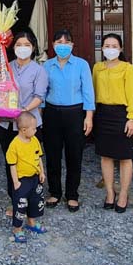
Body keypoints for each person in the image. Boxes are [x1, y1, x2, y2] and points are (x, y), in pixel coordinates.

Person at [42, 29, 95, 212]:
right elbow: (42, 92)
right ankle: (55, 192)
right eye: (59, 42)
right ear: (53, 45)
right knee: (52, 155)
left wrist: (89, 117)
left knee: (74, 155)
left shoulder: (81, 64)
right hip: (51, 113)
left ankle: (72, 194)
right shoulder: (47, 65)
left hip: (75, 113)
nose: (62, 45)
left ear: (72, 45)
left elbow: (88, 91)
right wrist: (39, 116)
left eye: (66, 42)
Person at [0, 30, 48, 215]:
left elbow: (39, 97)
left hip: (29, 127)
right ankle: (15, 201)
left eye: (27, 45)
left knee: (30, 164)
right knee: (11, 164)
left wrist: (22, 111)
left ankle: (32, 202)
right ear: (13, 47)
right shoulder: (6, 67)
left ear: (33, 48)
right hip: (6, 125)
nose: (22, 48)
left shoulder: (39, 70)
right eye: (19, 44)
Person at [92, 33, 133, 213]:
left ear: (120, 49)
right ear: (102, 48)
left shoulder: (127, 68)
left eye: (114, 46)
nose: (110, 49)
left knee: (124, 157)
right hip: (102, 114)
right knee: (106, 156)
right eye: (107, 46)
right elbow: (92, 91)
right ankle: (110, 192)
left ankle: (123, 194)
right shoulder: (97, 68)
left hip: (122, 115)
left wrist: (131, 118)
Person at [6, 112, 47, 243]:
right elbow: (12, 165)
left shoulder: (34, 140)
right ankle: (17, 229)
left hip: (35, 177)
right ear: (24, 130)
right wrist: (16, 182)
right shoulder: (14, 145)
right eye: (33, 128)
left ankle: (31, 222)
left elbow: (39, 157)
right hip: (22, 180)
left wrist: (42, 172)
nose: (36, 130)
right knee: (20, 204)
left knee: (36, 200)